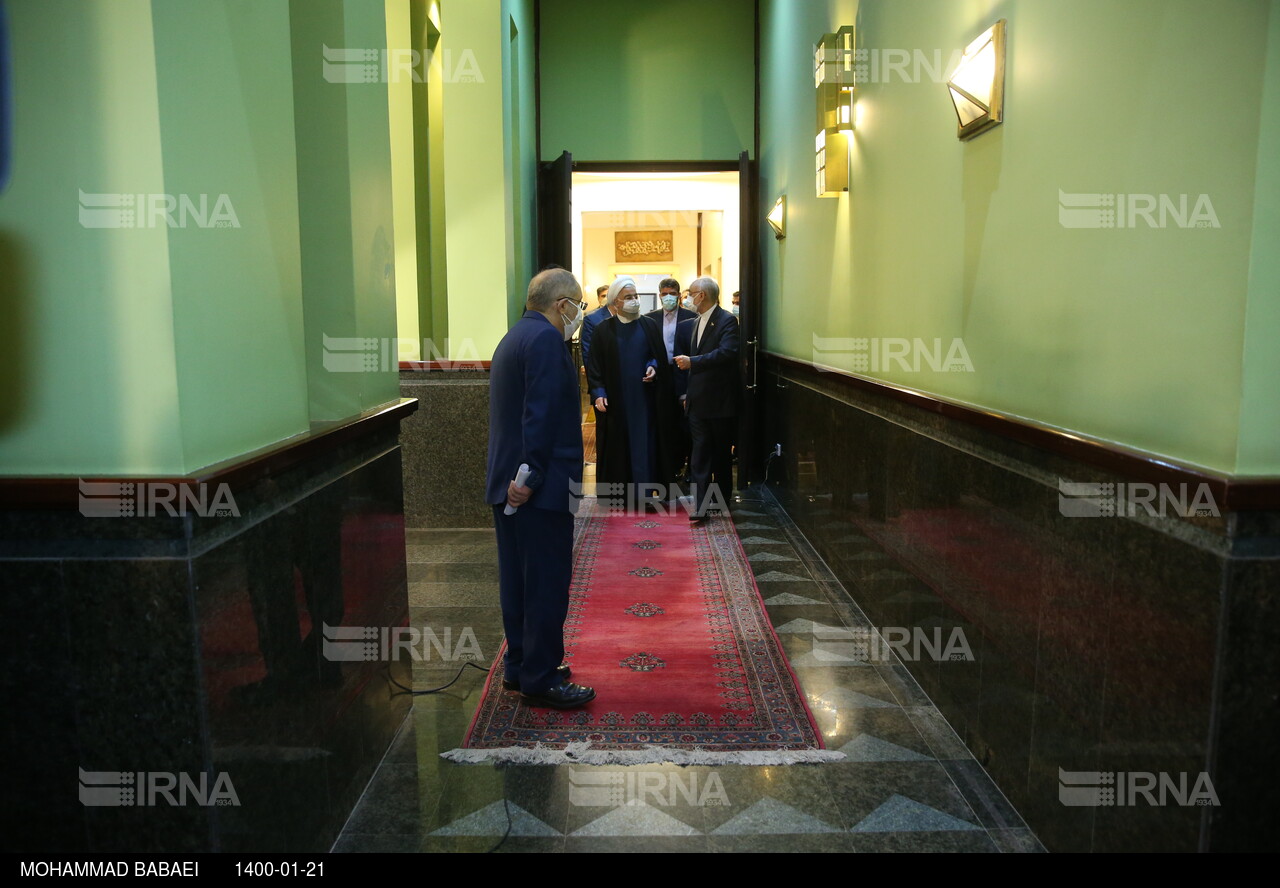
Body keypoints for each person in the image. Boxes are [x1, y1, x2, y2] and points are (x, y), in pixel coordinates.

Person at [486, 268, 596, 709]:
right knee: (547, 583)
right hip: (539, 488)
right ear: (561, 304)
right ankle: (541, 676)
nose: (579, 313)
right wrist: (528, 481)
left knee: (517, 580)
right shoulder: (548, 342)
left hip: (507, 481)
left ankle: (520, 664)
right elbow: (541, 417)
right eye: (579, 304)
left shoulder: (514, 336)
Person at [587, 276, 680, 507]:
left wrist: (654, 367)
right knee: (619, 447)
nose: (634, 301)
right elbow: (594, 365)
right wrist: (598, 392)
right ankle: (620, 496)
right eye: (628, 297)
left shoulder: (649, 325)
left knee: (646, 445)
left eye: (635, 296)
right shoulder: (603, 330)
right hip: (616, 402)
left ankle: (647, 495)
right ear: (615, 302)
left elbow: (657, 356)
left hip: (645, 400)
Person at [674, 276, 739, 522]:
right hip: (697, 402)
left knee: (721, 455)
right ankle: (700, 506)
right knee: (699, 454)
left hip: (720, 402)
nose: (687, 297)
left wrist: (694, 362)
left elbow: (727, 353)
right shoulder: (694, 322)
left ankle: (720, 501)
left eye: (690, 293)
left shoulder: (727, 321)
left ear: (701, 296)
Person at [646, 278, 696, 479]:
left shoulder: (691, 317)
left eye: (673, 293)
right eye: (665, 293)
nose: (669, 297)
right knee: (664, 422)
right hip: (661, 375)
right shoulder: (650, 319)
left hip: (684, 372)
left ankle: (690, 467)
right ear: (660, 295)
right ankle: (669, 465)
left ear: (678, 295)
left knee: (686, 423)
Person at [579, 284, 615, 371]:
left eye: (608, 295)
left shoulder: (619, 313)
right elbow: (584, 342)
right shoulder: (590, 316)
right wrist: (582, 364)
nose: (605, 298)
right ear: (598, 298)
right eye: (603, 296)